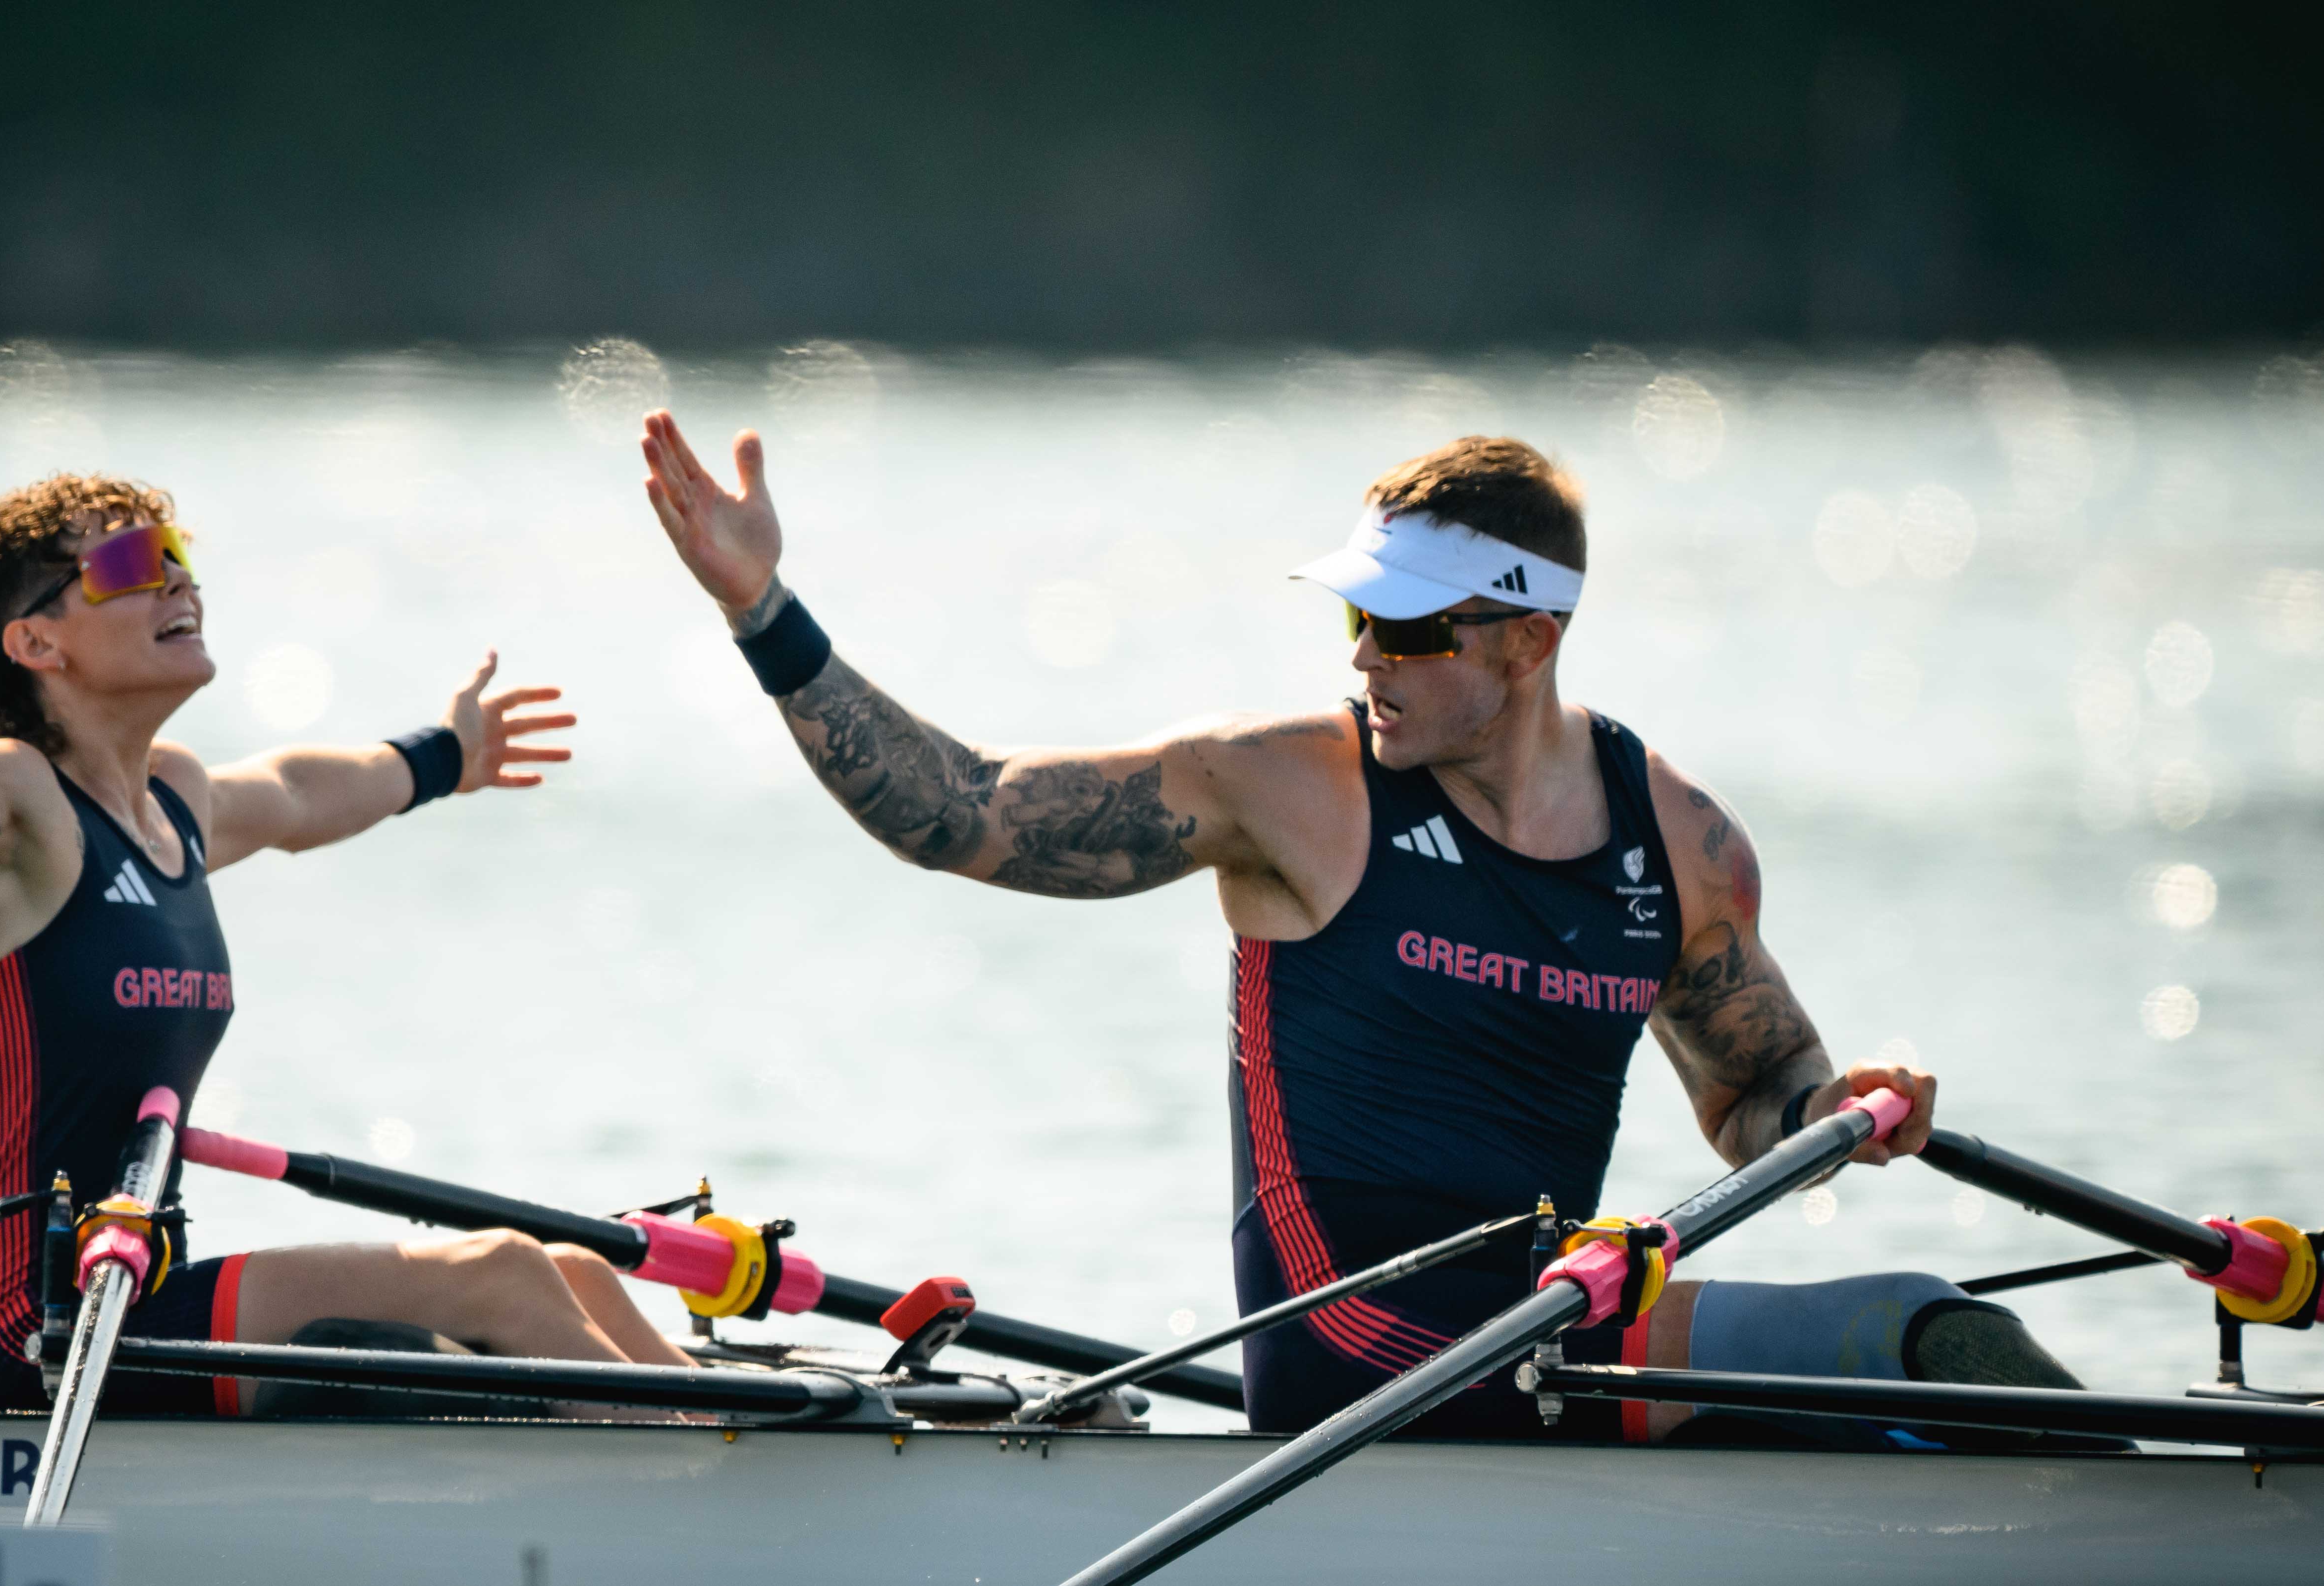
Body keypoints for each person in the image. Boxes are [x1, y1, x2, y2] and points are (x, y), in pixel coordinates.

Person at [638, 415, 2086, 1443]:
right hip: (1351, 1358)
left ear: (1525, 641)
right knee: (1904, 1332)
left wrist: (1844, 1108)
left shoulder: (1680, 844)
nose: (1359, 660)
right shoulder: (1292, 790)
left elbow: (1756, 1099)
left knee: (1935, 1386)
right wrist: (763, 609)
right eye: (1354, 621)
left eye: (1402, 631)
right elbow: (958, 813)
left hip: (1545, 1331)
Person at [0, 473, 691, 1415]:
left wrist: (445, 755)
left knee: (578, 1271)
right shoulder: (12, 804)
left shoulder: (174, 803)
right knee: (502, 1269)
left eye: (179, 554)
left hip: (142, 1298)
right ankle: (701, 1488)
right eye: (128, 564)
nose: (175, 582)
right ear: (37, 642)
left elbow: (298, 796)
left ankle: (737, 1447)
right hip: (42, 1338)